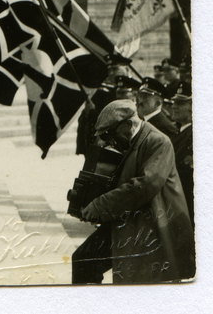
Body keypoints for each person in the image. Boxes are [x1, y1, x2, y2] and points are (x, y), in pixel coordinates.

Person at [71, 99, 195, 284]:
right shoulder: (130, 140)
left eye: (111, 134)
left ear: (128, 124)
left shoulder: (158, 141)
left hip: (151, 226)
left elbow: (145, 186)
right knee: (82, 260)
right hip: (128, 220)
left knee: (137, 280)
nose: (110, 141)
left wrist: (100, 205)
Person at [169, 82, 194, 223]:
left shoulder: (192, 135)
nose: (174, 106)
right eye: (174, 102)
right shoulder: (181, 133)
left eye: (180, 103)